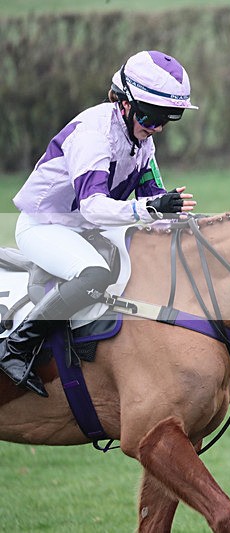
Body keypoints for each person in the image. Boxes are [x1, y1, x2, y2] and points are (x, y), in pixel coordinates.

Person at [0, 50, 199, 397]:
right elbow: (93, 206)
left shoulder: (142, 140)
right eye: (151, 118)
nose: (157, 128)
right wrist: (152, 208)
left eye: (168, 119)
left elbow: (154, 198)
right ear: (125, 104)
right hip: (45, 226)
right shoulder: (94, 134)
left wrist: (182, 221)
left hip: (85, 225)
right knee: (94, 273)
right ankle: (16, 347)